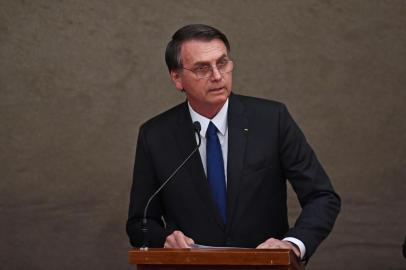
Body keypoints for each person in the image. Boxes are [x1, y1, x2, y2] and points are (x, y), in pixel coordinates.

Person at [126, 24, 341, 261]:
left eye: (222, 63)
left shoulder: (272, 120)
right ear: (177, 78)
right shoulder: (155, 135)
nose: (217, 76)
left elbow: (322, 196)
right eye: (202, 68)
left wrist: (291, 245)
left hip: (266, 266)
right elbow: (140, 222)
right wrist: (164, 239)